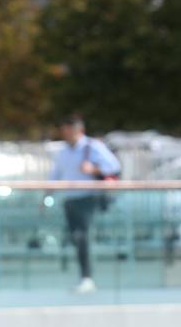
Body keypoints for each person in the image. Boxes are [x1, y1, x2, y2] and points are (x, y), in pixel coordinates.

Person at [51, 113, 120, 295]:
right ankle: (85, 276)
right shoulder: (63, 151)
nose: (65, 134)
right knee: (75, 237)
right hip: (70, 199)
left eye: (68, 130)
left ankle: (87, 278)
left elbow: (114, 166)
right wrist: (46, 195)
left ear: (78, 130)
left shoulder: (93, 147)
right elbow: (55, 175)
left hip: (88, 198)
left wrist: (93, 169)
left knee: (81, 236)